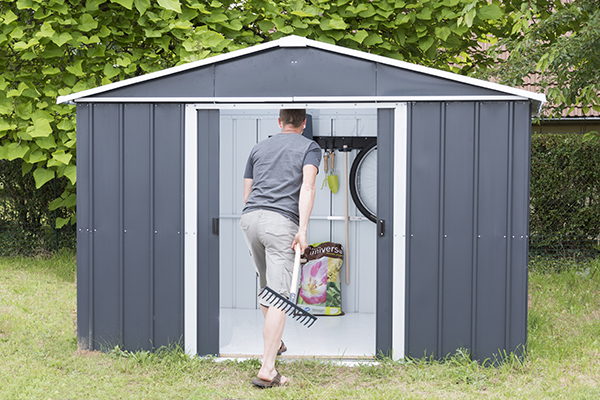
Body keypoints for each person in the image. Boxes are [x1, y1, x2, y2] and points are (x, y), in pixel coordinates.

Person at [240, 109, 321, 388]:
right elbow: (307, 187)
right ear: (304, 123)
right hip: (280, 222)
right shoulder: (310, 147)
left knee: (267, 288)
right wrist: (302, 230)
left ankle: (277, 343)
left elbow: (247, 190)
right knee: (279, 295)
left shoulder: (259, 147)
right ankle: (268, 369)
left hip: (250, 219)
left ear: (279, 122)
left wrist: (255, 218)